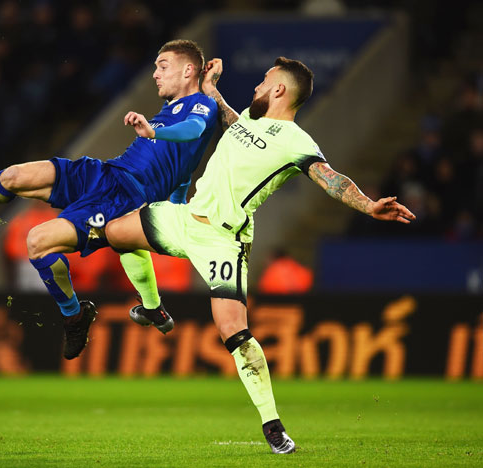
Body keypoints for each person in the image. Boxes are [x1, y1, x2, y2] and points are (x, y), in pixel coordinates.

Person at [105, 56, 416, 454]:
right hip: (184, 219)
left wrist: (368, 205)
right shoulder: (249, 122)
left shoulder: (298, 142)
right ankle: (153, 308)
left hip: (223, 239)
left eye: (264, 81)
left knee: (232, 332)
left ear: (280, 90)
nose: (256, 87)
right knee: (114, 231)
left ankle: (273, 426)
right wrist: (210, 87)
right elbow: (234, 126)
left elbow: (331, 178)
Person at [0, 40, 218, 360]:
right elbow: (182, 170)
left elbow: (192, 129)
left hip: (122, 196)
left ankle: (74, 314)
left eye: (163, 66)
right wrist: (175, 200)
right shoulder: (167, 111)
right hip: (103, 172)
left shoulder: (201, 106)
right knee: (12, 177)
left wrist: (154, 133)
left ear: (188, 70)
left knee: (37, 241)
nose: (155, 73)